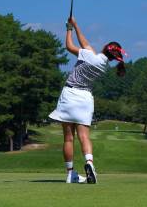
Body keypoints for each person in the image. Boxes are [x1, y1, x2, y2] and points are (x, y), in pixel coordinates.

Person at [49, 16, 126, 184]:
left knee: (68, 138)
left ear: (105, 47)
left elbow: (69, 46)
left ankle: (70, 173)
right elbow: (85, 44)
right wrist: (76, 25)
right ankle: (90, 163)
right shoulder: (101, 64)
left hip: (70, 95)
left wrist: (68, 29)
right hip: (85, 99)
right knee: (84, 137)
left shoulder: (89, 56)